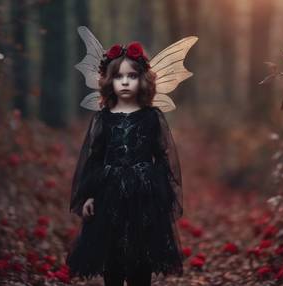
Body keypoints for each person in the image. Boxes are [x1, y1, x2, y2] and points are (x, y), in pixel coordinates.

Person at [66, 35, 194, 286]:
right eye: (118, 76)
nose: (125, 81)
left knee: (140, 260)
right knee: (112, 260)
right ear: (108, 80)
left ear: (143, 80)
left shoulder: (151, 117)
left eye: (132, 76)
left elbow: (163, 155)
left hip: (143, 196)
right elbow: (94, 158)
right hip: (108, 195)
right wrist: (88, 195)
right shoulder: (103, 117)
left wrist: (161, 195)